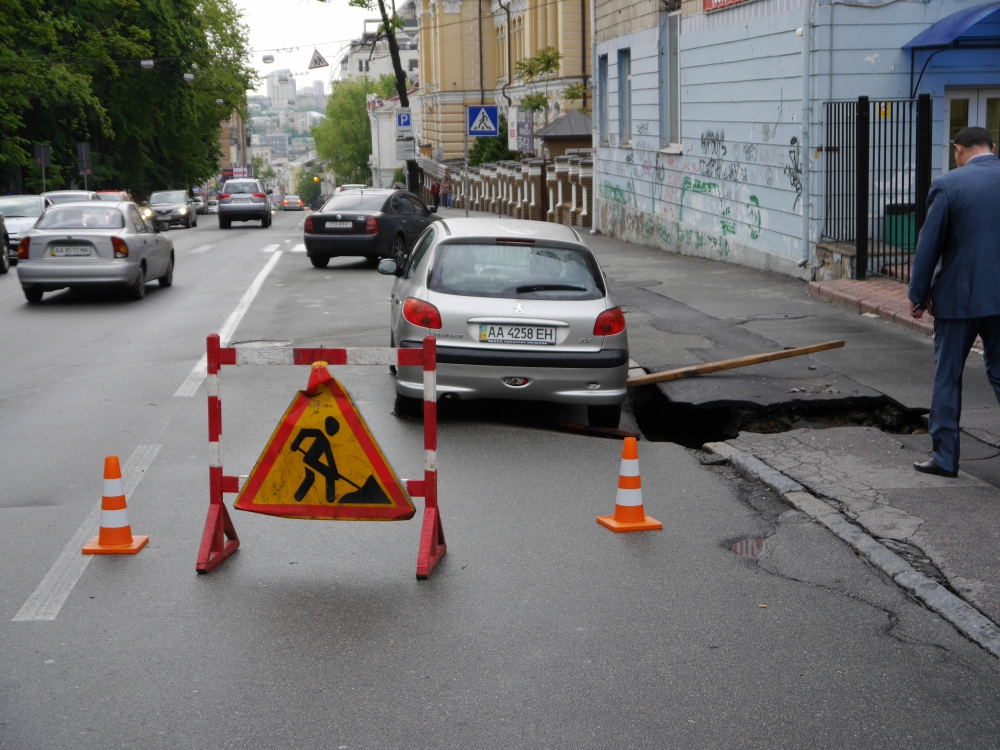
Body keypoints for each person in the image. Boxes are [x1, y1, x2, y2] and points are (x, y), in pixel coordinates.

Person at [908, 126, 1000, 478]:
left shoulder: (950, 185)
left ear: (959, 150)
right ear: (993, 147)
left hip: (960, 300)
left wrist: (918, 294)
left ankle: (945, 459)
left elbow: (929, 245)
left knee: (948, 376)